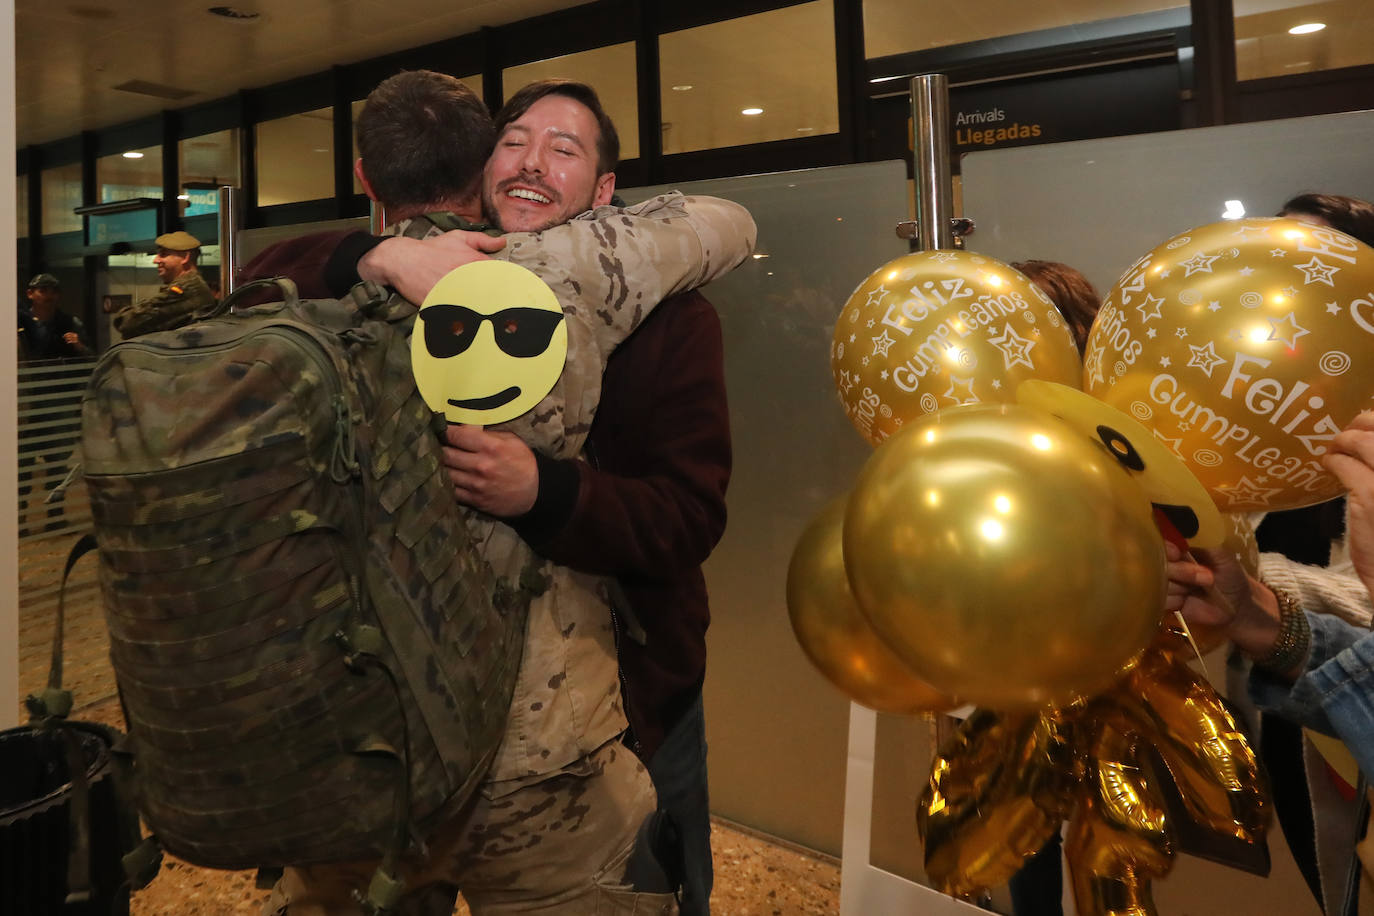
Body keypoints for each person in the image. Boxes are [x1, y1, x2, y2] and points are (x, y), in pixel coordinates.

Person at [257, 71, 752, 915]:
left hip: (616, 711)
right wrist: (376, 253)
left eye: (563, 150)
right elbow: (258, 278)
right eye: (514, 142)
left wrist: (548, 493)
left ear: (603, 192)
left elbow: (689, 515)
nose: (531, 162)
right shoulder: (409, 276)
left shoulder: (665, 311)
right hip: (403, 728)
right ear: (481, 167)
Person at [1005, 260, 1101, 916]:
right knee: (1025, 827)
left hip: (1108, 650)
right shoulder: (990, 417)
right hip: (1013, 658)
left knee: (1109, 833)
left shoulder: (1117, 416)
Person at [112, 230, 216, 338]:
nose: (156, 260)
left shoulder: (186, 289)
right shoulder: (193, 286)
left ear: (185, 257)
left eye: (163, 254)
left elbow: (126, 322)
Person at [18, 273, 89, 361]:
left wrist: (79, 346)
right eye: (43, 291)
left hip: (62, 373)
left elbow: (90, 358)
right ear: (30, 294)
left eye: (54, 291)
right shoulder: (21, 324)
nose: (49, 296)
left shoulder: (71, 323)